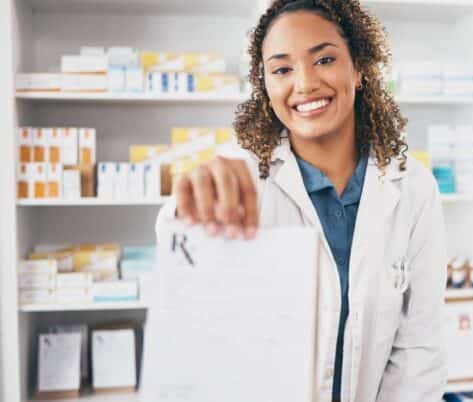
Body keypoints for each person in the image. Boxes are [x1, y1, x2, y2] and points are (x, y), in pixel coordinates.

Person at [156, 0, 448, 400]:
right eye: (282, 69)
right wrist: (192, 202)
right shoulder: (246, 180)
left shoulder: (414, 188)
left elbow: (419, 352)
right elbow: (182, 267)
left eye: (324, 59)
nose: (305, 83)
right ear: (266, 86)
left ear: (359, 68)